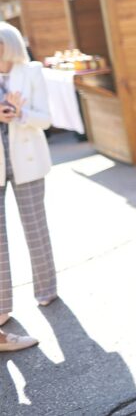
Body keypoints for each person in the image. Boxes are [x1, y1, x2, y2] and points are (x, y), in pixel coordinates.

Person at [0, 21, 56, 345]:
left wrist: (20, 114)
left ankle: (46, 289)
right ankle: (1, 306)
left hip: (28, 162)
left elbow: (45, 119)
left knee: (35, 229)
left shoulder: (32, 72)